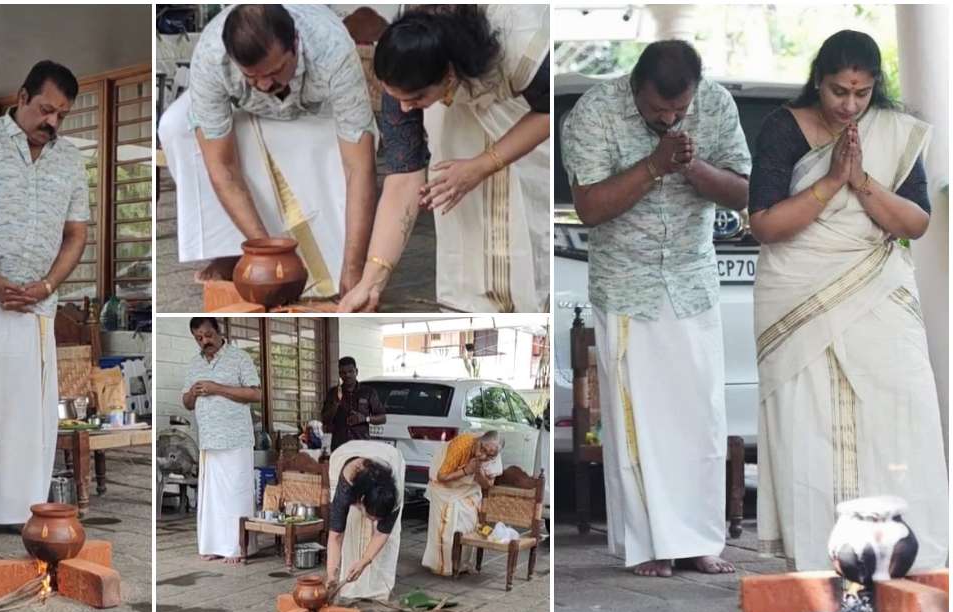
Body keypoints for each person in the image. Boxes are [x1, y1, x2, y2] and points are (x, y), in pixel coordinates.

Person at [748, 30, 948, 571]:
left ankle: (907, 553)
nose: (850, 105)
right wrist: (832, 179)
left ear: (875, 89)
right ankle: (822, 554)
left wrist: (860, 180)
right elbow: (765, 223)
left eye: (861, 94)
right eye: (839, 92)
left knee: (900, 405)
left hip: (879, 289)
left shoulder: (894, 132)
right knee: (810, 420)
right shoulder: (784, 128)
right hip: (799, 291)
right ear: (819, 81)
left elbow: (917, 223)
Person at [561, 40, 751, 577]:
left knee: (701, 419)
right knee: (639, 420)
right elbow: (590, 207)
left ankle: (698, 541)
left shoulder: (715, 104)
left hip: (692, 282)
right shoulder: (595, 112)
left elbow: (741, 191)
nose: (669, 119)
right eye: (657, 110)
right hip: (628, 287)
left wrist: (693, 170)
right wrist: (653, 165)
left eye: (679, 110)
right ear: (635, 87)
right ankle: (652, 546)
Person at [0, 60, 90, 544]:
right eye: (46, 109)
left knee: (31, 415)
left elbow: (76, 233)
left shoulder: (69, 159)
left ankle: (23, 510)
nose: (52, 122)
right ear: (22, 97)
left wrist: (47, 285)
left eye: (62, 115)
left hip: (37, 309)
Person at [339, 4, 550, 313]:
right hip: (451, 118)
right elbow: (403, 176)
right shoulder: (404, 62)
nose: (406, 108)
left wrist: (481, 165)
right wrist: (371, 282)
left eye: (416, 100)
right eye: (399, 99)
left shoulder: (519, 37)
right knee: (464, 233)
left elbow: (547, 111)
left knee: (526, 230)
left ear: (449, 75)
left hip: (525, 125)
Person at [158, 4, 377, 298]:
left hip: (316, 109)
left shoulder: (332, 48)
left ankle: (341, 262)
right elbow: (222, 168)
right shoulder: (211, 57)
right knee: (174, 126)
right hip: (245, 110)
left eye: (274, 71)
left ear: (295, 44)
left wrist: (354, 269)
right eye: (252, 76)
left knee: (336, 148)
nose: (264, 84)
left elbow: (358, 167)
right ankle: (231, 249)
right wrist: (266, 254)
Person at [182, 317, 262, 564]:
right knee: (213, 498)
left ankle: (238, 547)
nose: (204, 341)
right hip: (209, 438)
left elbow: (255, 393)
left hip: (236, 438)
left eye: (208, 335)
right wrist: (192, 394)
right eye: (198, 338)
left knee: (236, 493)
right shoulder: (194, 363)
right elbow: (186, 403)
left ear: (219, 332)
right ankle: (215, 545)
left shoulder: (240, 358)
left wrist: (217, 388)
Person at [325, 440, 404, 601]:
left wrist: (364, 561)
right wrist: (331, 574)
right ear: (360, 500)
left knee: (389, 538)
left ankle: (378, 588)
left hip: (388, 456)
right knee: (353, 528)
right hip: (346, 453)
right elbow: (336, 535)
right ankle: (351, 588)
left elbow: (382, 533)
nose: (373, 521)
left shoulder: (393, 494)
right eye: (372, 516)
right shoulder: (345, 489)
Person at [421, 431, 503, 576]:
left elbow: (488, 485)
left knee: (468, 525)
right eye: (482, 450)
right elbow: (442, 476)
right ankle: (443, 566)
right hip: (445, 489)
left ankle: (462, 564)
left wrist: (478, 471)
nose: (484, 456)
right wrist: (466, 471)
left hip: (468, 491)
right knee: (447, 531)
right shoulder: (462, 445)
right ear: (478, 441)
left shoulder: (493, 454)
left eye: (490, 455)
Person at [320, 356, 386, 452]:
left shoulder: (368, 392)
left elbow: (383, 418)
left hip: (361, 445)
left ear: (356, 371)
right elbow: (325, 419)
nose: (347, 375)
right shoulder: (333, 393)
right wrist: (336, 404)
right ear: (339, 374)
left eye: (350, 371)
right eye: (343, 373)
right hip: (339, 446)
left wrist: (365, 418)